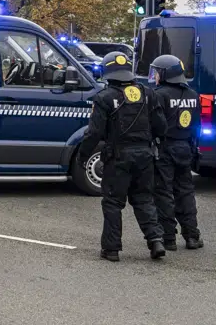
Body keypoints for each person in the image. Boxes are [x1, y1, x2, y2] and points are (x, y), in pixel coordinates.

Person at [79, 51, 166, 262]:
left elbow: (94, 133)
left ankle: (111, 249)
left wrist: (83, 156)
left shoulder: (104, 97)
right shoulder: (148, 93)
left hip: (118, 158)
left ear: (108, 72)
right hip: (145, 156)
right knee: (144, 199)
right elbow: (161, 126)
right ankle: (156, 241)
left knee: (112, 203)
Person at [150, 54, 203, 250]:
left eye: (157, 72)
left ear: (165, 74)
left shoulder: (158, 95)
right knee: (185, 192)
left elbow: (154, 123)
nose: (154, 76)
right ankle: (192, 236)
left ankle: (168, 237)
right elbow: (197, 124)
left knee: (163, 193)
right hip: (185, 147)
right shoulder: (193, 95)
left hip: (164, 148)